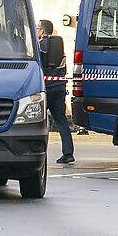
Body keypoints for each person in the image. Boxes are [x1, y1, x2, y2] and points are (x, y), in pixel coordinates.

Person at [38, 19, 74, 165]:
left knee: (38, 121)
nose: (36, 30)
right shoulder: (60, 46)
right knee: (61, 121)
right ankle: (68, 153)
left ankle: (37, 151)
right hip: (59, 87)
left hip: (45, 88)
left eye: (38, 28)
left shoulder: (40, 46)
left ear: (43, 30)